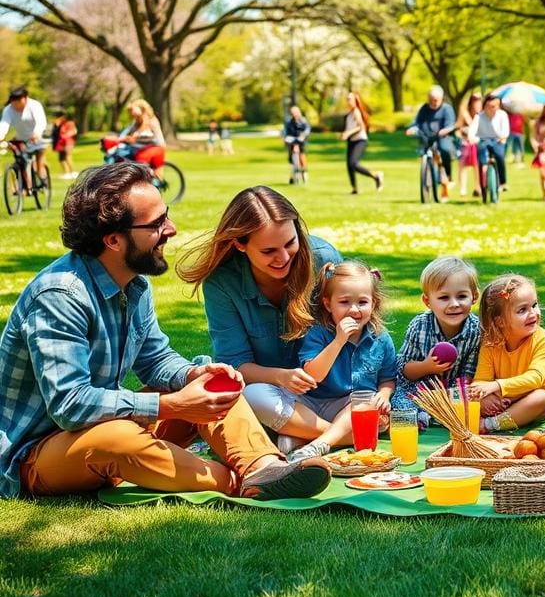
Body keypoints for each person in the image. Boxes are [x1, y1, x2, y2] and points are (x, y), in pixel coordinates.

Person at [0, 163, 332, 500]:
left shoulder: (134, 284)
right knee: (116, 438)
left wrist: (194, 374)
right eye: (156, 223)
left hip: (104, 428)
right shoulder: (60, 296)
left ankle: (263, 467)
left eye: (166, 216)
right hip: (38, 453)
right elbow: (70, 405)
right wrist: (171, 405)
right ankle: (237, 482)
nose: (171, 229)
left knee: (212, 384)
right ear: (114, 239)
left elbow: (155, 360)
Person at [175, 186, 342, 456]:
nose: (285, 257)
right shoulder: (222, 282)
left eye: (290, 243)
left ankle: (300, 436)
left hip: (330, 388)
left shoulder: (323, 259)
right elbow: (235, 363)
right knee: (243, 395)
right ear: (240, 244)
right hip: (270, 393)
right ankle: (338, 435)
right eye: (268, 251)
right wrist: (282, 377)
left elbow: (354, 330)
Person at [285, 260, 397, 462]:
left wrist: (384, 394)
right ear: (328, 304)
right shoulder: (318, 334)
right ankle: (331, 438)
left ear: (374, 304)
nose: (354, 310)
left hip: (351, 410)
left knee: (365, 401)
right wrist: (338, 341)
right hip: (312, 405)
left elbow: (387, 378)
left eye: (362, 302)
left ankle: (317, 445)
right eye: (344, 302)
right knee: (260, 396)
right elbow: (313, 375)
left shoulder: (381, 338)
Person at [469, 274, 545, 433]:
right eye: (522, 310)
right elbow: (481, 381)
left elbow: (534, 379)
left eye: (534, 305)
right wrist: (485, 397)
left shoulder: (544, 340)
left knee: (540, 397)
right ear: (500, 321)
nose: (533, 313)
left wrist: (496, 386)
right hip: (510, 402)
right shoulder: (490, 345)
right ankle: (505, 418)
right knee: (473, 399)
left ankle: (489, 425)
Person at [392, 256, 482, 428]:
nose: (454, 304)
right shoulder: (419, 326)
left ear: (474, 296)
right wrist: (427, 366)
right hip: (418, 388)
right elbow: (404, 370)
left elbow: (469, 375)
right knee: (400, 400)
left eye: (462, 296)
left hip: (455, 390)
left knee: (473, 404)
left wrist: (454, 396)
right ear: (427, 302)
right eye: (444, 298)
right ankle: (421, 417)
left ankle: (436, 415)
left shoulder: (476, 330)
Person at [406, 85, 457, 202]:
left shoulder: (447, 109)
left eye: (436, 100)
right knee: (424, 151)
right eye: (431, 100)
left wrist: (446, 130)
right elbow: (417, 122)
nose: (433, 103)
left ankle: (448, 176)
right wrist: (411, 128)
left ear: (441, 99)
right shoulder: (424, 109)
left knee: (444, 149)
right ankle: (427, 177)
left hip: (442, 136)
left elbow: (451, 124)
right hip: (427, 136)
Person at [0, 86, 48, 193]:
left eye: (19, 101)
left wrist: (36, 133)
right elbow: (4, 124)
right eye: (14, 101)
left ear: (25, 98)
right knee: (20, 161)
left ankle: (43, 182)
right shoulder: (8, 110)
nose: (16, 104)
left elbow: (41, 122)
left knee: (39, 167)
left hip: (37, 139)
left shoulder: (34, 105)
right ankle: (23, 186)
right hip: (21, 140)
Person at [340, 91, 383, 195]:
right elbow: (350, 127)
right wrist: (344, 134)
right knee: (349, 166)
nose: (348, 101)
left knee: (353, 163)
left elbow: (361, 127)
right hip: (352, 140)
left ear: (355, 101)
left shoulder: (356, 112)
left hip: (360, 140)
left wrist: (348, 133)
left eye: (350, 99)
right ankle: (354, 189)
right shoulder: (349, 114)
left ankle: (376, 175)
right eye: (347, 99)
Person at [467, 93, 510, 194]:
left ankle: (502, 183)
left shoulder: (502, 115)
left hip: (497, 140)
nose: (491, 109)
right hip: (483, 140)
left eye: (493, 106)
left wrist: (503, 137)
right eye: (488, 106)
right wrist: (472, 138)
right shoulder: (479, 116)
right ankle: (482, 186)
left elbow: (505, 130)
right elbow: (472, 129)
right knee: (482, 161)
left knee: (499, 156)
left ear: (498, 106)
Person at [456, 93, 482, 197]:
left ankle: (478, 187)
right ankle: (463, 188)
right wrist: (461, 138)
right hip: (465, 142)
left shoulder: (482, 114)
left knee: (477, 165)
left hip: (477, 142)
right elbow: (458, 128)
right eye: (475, 101)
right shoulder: (464, 113)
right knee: (462, 166)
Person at [283, 105, 310, 180]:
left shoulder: (303, 120)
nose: (294, 115)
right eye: (292, 113)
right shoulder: (289, 121)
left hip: (301, 139)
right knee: (291, 155)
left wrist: (303, 135)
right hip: (292, 139)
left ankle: (304, 171)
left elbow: (307, 129)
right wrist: (284, 137)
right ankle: (293, 173)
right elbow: (285, 131)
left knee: (302, 154)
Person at [51, 110, 78, 178]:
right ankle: (67, 173)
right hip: (61, 143)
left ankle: (73, 172)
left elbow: (74, 131)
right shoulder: (60, 124)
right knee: (61, 158)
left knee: (67, 156)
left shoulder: (70, 123)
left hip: (68, 142)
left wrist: (65, 135)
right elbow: (56, 132)